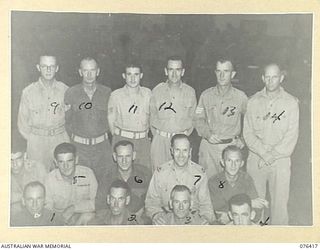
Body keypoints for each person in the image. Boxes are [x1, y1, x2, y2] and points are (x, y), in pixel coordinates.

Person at [243, 63, 299, 225]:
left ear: (281, 77)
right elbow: (248, 133)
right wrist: (264, 153)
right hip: (256, 159)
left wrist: (271, 155)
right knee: (255, 203)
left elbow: (291, 135)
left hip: (280, 161)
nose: (270, 81)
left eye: (274, 77)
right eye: (267, 77)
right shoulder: (253, 101)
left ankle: (279, 240)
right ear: (262, 78)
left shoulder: (291, 103)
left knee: (280, 205)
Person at [194, 58, 248, 179]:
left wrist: (244, 140)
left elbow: (252, 120)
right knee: (207, 187)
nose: (222, 75)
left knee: (229, 187)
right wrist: (207, 134)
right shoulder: (206, 95)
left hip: (231, 148)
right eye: (219, 71)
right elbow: (198, 119)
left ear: (232, 74)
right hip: (209, 148)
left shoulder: (240, 97)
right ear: (215, 73)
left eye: (226, 71)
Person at [17, 54, 69, 172]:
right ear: (38, 67)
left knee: (62, 176)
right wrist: (33, 140)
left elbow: (71, 118)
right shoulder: (28, 92)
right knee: (37, 178)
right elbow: (22, 123)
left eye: (52, 66)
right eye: (44, 66)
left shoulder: (65, 90)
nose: (48, 70)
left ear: (57, 68)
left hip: (60, 139)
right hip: (37, 143)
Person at [145, 134, 214, 223]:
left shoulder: (199, 173)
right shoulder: (161, 173)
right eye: (177, 150)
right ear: (172, 151)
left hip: (192, 218)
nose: (181, 155)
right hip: (167, 219)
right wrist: (155, 215)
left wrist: (205, 218)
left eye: (185, 150)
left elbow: (206, 204)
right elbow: (151, 201)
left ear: (190, 151)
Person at [64, 57, 113, 183]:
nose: (89, 74)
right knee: (81, 184)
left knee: (104, 184)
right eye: (86, 70)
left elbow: (112, 119)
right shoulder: (71, 93)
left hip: (102, 148)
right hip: (80, 149)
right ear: (80, 72)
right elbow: (67, 121)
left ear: (98, 71)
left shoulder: (107, 92)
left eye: (92, 70)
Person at [150, 56, 197, 172]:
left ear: (183, 71)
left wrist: (183, 136)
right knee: (159, 176)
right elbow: (151, 117)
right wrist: (160, 137)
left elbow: (194, 118)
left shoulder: (190, 92)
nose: (174, 74)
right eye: (171, 69)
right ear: (166, 71)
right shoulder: (157, 91)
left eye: (178, 70)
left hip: (181, 143)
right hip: (161, 142)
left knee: (182, 178)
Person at [208, 145, 268, 224]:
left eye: (237, 161)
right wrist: (249, 203)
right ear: (222, 162)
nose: (233, 165)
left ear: (242, 163)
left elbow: (257, 209)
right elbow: (219, 212)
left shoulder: (246, 179)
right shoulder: (214, 181)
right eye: (229, 160)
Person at [108, 62, 152, 168]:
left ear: (141, 75)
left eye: (136, 74)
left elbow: (152, 116)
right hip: (123, 139)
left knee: (143, 173)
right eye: (129, 74)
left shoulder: (148, 94)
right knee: (121, 174)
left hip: (142, 141)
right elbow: (111, 119)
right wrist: (118, 137)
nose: (133, 79)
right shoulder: (116, 95)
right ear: (124, 76)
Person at [45, 142, 98, 225]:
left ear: (76, 160)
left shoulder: (88, 174)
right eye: (61, 162)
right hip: (60, 218)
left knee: (90, 217)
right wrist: (58, 220)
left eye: (69, 161)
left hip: (82, 215)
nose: (66, 166)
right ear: (56, 162)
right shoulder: (50, 179)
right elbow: (47, 209)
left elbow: (97, 202)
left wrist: (74, 208)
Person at [96, 140, 152, 213]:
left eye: (128, 156)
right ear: (115, 157)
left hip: (138, 219)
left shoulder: (145, 174)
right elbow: (100, 207)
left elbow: (151, 202)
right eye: (120, 156)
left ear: (134, 156)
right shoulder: (106, 176)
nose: (124, 161)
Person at [11, 133, 47, 212]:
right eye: (10, 160)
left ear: (24, 156)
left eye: (18, 159)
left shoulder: (38, 168)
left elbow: (46, 198)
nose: (14, 165)